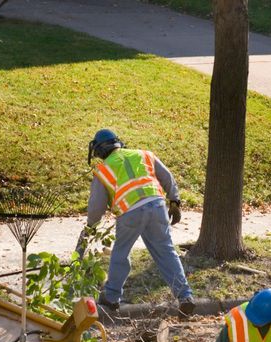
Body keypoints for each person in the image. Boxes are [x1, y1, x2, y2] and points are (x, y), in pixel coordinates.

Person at [78, 129, 195, 317]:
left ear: (99, 150)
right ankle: (185, 296)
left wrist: (91, 225)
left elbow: (96, 206)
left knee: (121, 253)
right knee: (166, 252)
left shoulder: (103, 170)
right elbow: (167, 177)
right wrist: (174, 200)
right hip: (157, 206)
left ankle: (112, 297)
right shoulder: (143, 154)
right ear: (118, 142)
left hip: (130, 213)